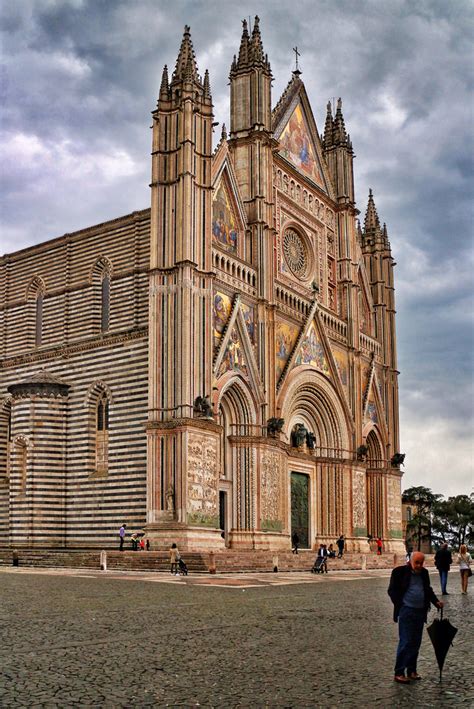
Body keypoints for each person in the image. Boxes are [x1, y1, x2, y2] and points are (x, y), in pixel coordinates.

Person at [388, 551, 443, 683]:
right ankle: (399, 672)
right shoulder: (399, 572)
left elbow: (427, 589)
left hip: (420, 612)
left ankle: (411, 670)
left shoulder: (424, 573)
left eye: (421, 563)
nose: (419, 565)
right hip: (406, 611)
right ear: (410, 561)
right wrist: (400, 604)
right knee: (406, 641)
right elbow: (392, 590)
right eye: (416, 562)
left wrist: (435, 602)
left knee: (415, 642)